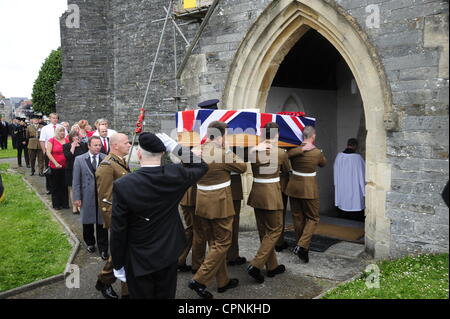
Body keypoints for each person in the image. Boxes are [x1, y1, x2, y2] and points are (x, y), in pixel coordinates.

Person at [110, 132, 208, 299]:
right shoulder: (175, 174)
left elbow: (119, 228)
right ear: (163, 153)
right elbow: (201, 166)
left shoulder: (123, 184)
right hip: (168, 251)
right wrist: (173, 146)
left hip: (138, 256)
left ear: (139, 154)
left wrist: (118, 263)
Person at [189, 121, 247, 299]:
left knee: (214, 244)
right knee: (222, 244)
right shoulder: (223, 154)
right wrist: (228, 150)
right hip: (220, 204)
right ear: (221, 137)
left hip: (202, 204)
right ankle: (199, 279)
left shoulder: (196, 152)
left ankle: (223, 281)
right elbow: (243, 167)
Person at [246, 122, 291, 283]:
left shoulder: (252, 152)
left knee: (264, 231)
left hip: (257, 192)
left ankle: (272, 266)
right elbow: (288, 172)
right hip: (271, 193)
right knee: (275, 230)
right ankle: (256, 265)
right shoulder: (280, 153)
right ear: (276, 135)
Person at [95, 133, 131, 299]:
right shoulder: (107, 166)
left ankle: (108, 282)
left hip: (126, 216)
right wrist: (114, 225)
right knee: (121, 252)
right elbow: (105, 201)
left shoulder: (119, 161)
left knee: (123, 253)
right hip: (118, 220)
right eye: (126, 142)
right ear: (115, 145)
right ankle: (106, 281)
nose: (130, 144)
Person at [285, 126, 326, 263]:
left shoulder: (293, 150)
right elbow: (323, 164)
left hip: (294, 187)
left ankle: (301, 247)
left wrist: (300, 149)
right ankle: (302, 246)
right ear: (313, 136)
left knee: (298, 217)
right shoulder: (316, 152)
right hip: (309, 188)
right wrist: (319, 152)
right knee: (313, 217)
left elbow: (286, 156)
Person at [72, 136, 109, 259]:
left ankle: (103, 248)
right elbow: (76, 181)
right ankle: (90, 243)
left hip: (102, 196)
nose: (98, 147)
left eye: (99, 145)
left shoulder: (106, 158)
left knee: (102, 223)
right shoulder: (79, 159)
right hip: (86, 195)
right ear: (89, 146)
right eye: (95, 145)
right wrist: (77, 198)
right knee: (87, 222)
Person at [333, 138, 365, 221]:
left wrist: (336, 184)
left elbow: (335, 173)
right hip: (355, 190)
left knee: (343, 207)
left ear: (348, 145)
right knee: (355, 207)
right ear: (355, 146)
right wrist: (364, 190)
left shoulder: (339, 156)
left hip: (342, 188)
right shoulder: (358, 158)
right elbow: (362, 174)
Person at [226, 150, 247, 266]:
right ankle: (231, 255)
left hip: (226, 188)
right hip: (231, 186)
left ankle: (232, 254)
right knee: (232, 223)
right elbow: (242, 167)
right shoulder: (225, 151)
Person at [39, 113, 66, 195]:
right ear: (50, 118)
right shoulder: (45, 128)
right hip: (49, 153)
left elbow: (66, 138)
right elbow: (42, 140)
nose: (55, 119)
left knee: (61, 173)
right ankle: (49, 188)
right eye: (53, 118)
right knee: (49, 171)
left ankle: (60, 187)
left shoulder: (62, 127)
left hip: (60, 153)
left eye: (56, 118)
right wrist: (44, 151)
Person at [64, 130, 88, 214]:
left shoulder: (83, 145)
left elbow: (86, 156)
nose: (76, 137)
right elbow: (68, 157)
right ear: (71, 137)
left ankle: (80, 206)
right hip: (71, 169)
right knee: (72, 188)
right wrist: (73, 147)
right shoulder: (66, 146)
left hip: (82, 169)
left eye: (77, 135)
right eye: (74, 136)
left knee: (81, 187)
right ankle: (74, 206)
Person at [46, 126, 69, 210]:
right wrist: (55, 163)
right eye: (60, 131)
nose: (62, 133)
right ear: (56, 132)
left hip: (65, 166)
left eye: (63, 131)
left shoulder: (66, 140)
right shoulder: (51, 140)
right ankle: (56, 204)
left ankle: (65, 203)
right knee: (56, 186)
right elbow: (48, 153)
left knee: (64, 185)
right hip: (55, 166)